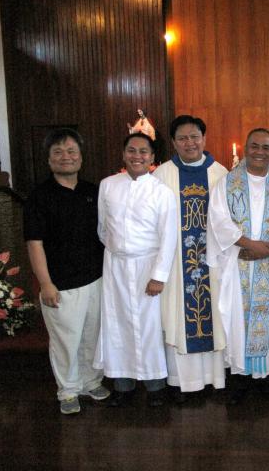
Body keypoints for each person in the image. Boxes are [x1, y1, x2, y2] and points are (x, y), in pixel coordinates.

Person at [24, 128, 109, 415]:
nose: (66, 157)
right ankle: (68, 390)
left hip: (95, 279)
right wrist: (45, 283)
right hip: (60, 284)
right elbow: (35, 244)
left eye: (72, 151)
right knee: (65, 341)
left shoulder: (92, 192)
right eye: (58, 152)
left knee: (91, 336)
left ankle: (90, 381)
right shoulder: (39, 197)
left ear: (81, 158)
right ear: (48, 160)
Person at [94, 132, 177, 407]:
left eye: (144, 152)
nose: (137, 156)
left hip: (147, 265)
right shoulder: (107, 185)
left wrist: (158, 275)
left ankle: (155, 387)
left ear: (153, 158)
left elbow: (169, 237)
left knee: (149, 327)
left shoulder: (161, 191)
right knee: (117, 325)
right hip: (116, 265)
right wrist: (119, 251)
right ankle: (123, 385)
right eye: (132, 150)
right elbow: (103, 228)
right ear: (123, 154)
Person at [207, 128, 269, 404]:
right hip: (237, 261)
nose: (260, 152)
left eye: (266, 147)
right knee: (237, 322)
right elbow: (218, 220)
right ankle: (240, 380)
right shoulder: (227, 184)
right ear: (244, 147)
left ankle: (268, 380)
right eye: (254, 146)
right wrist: (248, 244)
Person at [153, 115, 228, 402]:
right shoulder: (161, 175)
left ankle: (214, 379)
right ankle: (181, 382)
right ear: (173, 142)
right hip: (175, 265)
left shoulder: (220, 174)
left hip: (212, 263)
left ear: (204, 139)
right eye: (182, 138)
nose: (189, 143)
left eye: (194, 136)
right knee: (177, 317)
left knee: (213, 319)